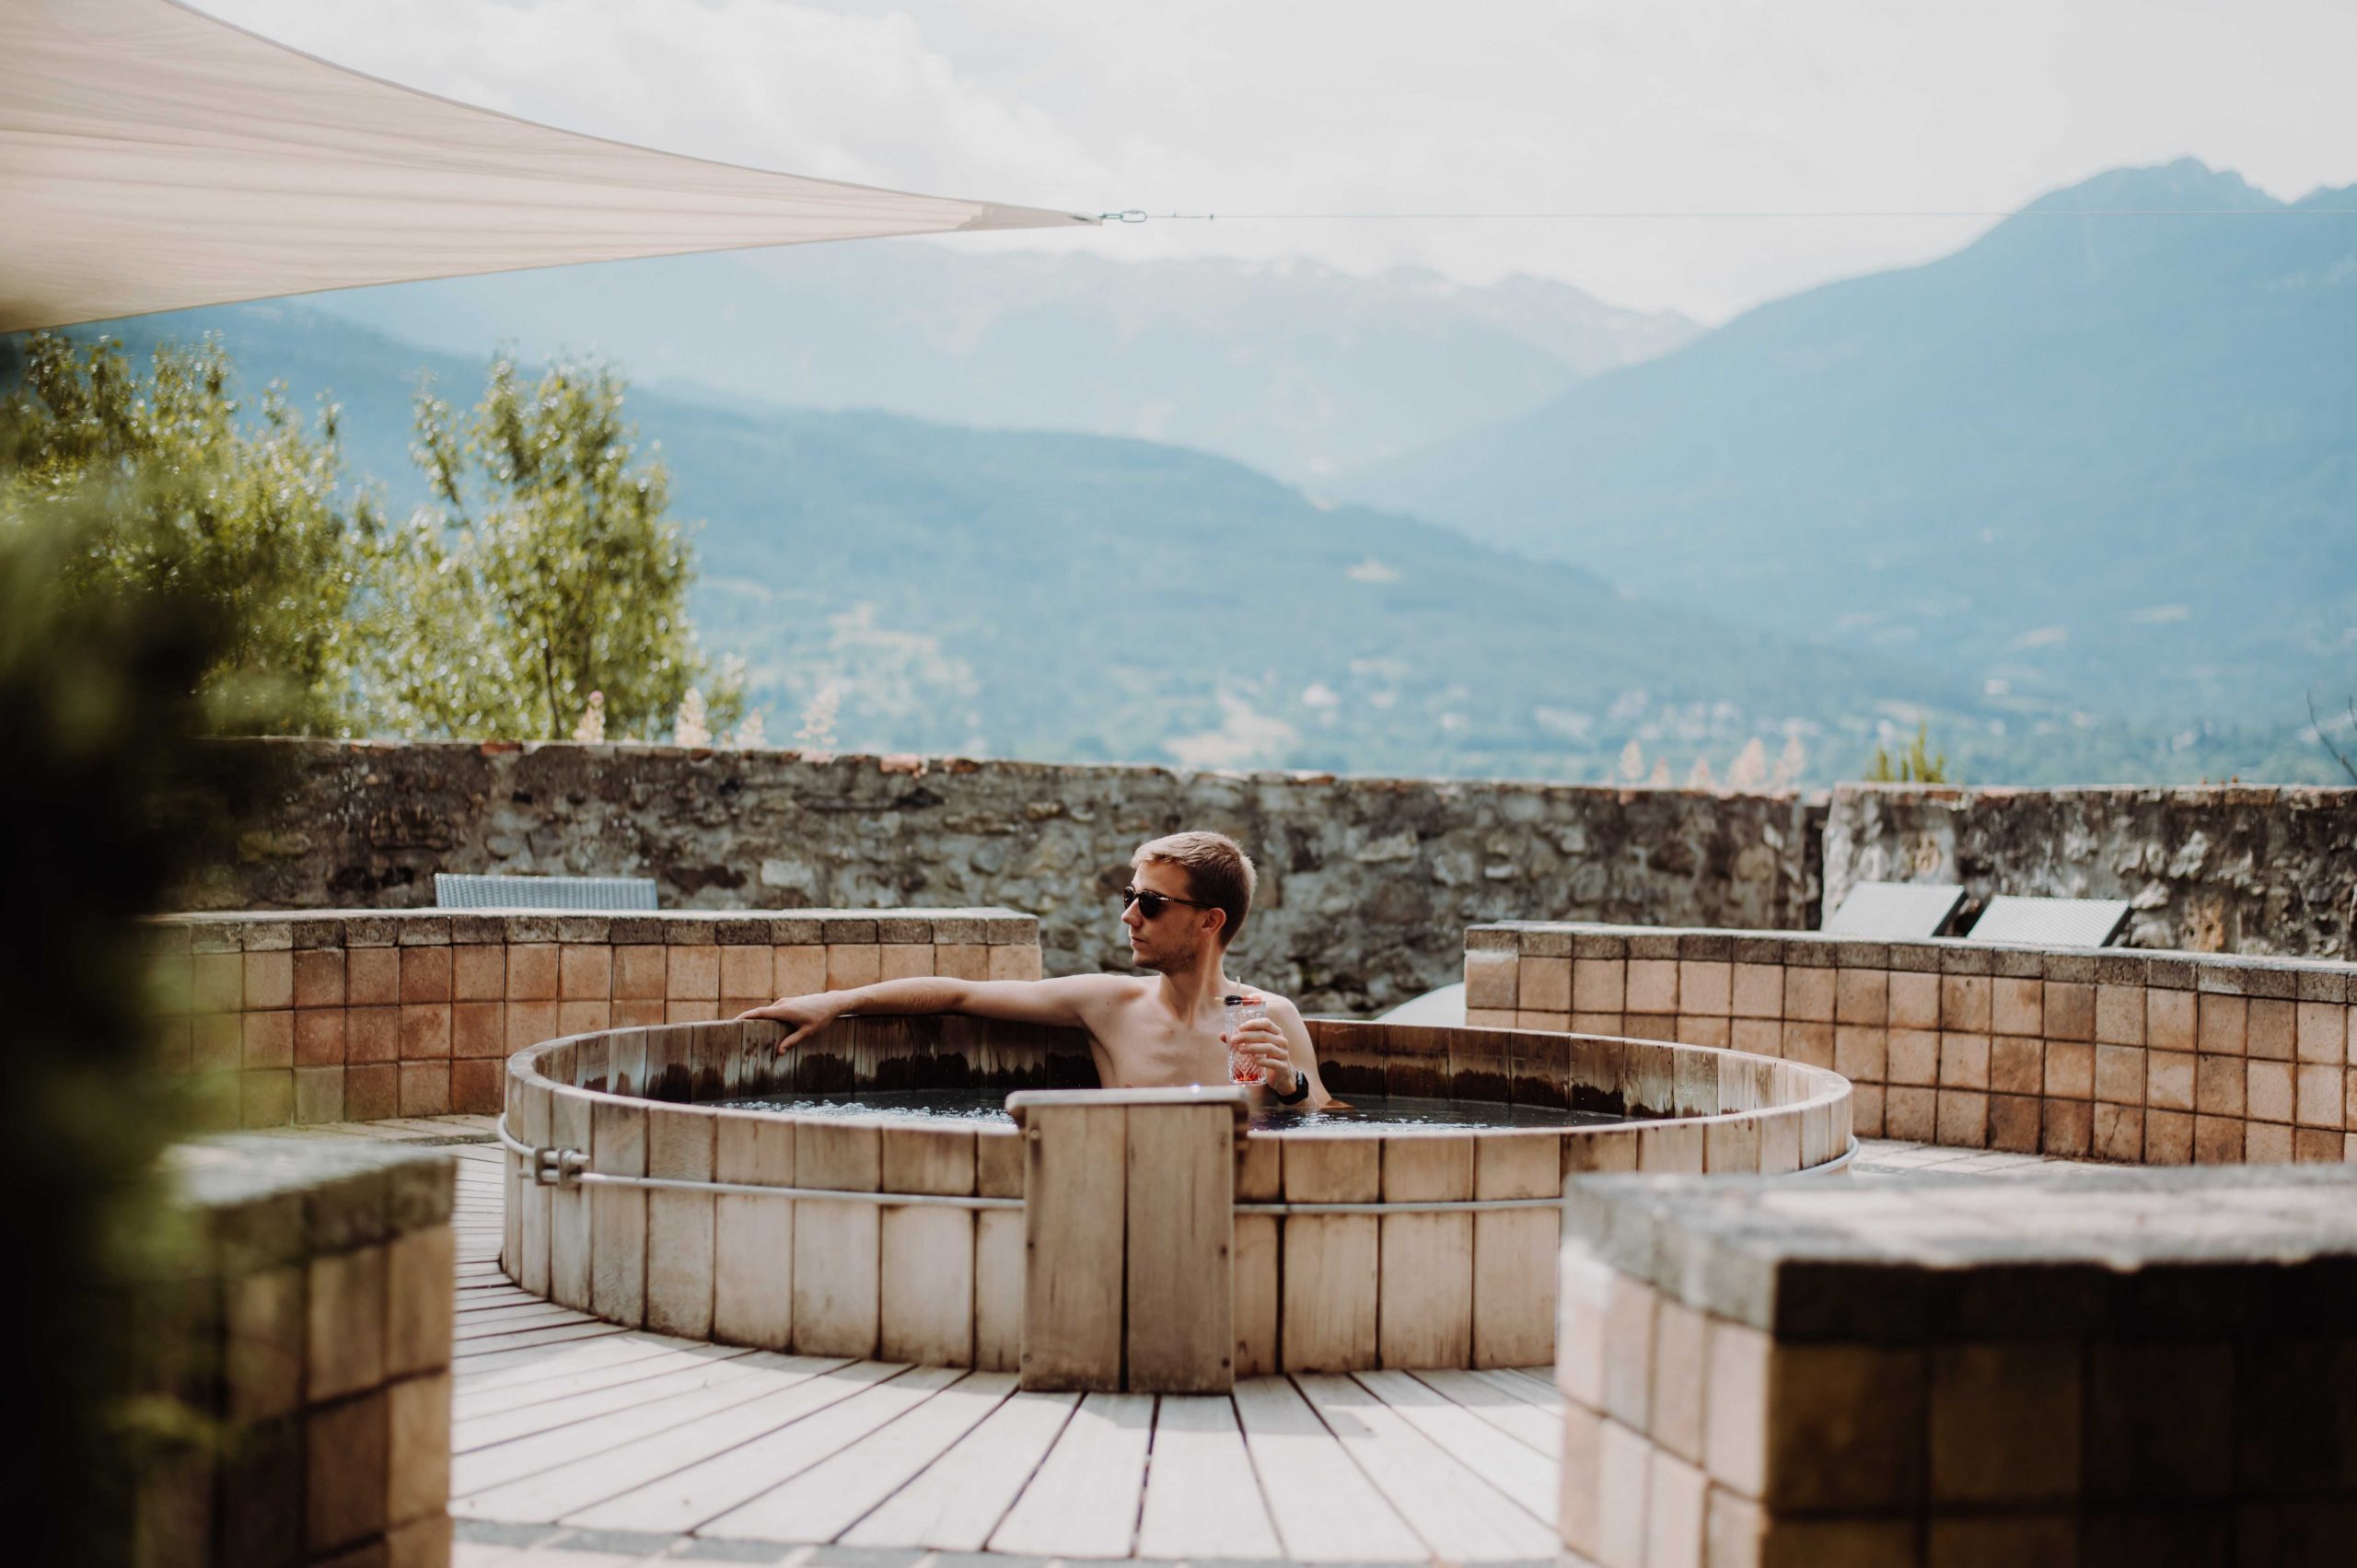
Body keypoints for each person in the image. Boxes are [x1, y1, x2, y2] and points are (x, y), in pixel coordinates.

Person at [738, 830, 1334, 1109]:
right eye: (1130, 895)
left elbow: (1334, 1121)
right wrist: (835, 1002)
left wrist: (1290, 1086)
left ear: (1210, 922)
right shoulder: (1109, 1005)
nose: (1129, 915)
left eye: (1150, 903)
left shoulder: (1269, 1018)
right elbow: (961, 994)